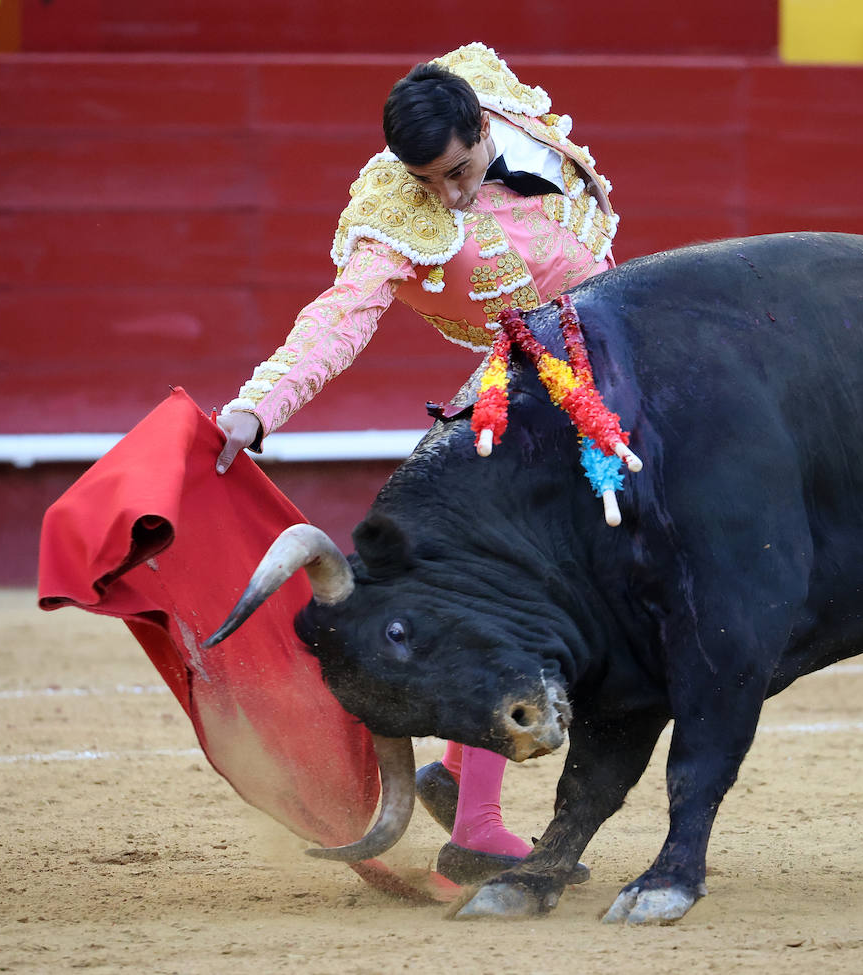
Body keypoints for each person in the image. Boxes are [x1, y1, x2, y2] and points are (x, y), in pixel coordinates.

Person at [213, 42, 619, 885]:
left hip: (604, 370)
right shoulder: (395, 211)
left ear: (481, 125)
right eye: (428, 181)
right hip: (514, 407)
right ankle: (476, 823)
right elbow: (341, 315)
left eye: (460, 172)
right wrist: (262, 405)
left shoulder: (495, 94)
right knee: (526, 601)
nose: (448, 194)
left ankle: (459, 782)